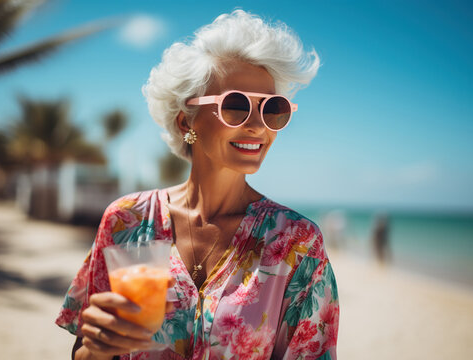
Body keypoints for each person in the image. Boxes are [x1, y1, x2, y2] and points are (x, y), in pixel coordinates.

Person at [56, 10, 339, 360]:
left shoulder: (296, 243)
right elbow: (83, 351)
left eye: (272, 109)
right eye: (235, 105)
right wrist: (95, 347)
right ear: (185, 120)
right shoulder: (126, 220)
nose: (257, 125)